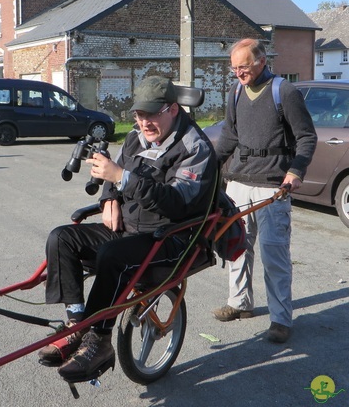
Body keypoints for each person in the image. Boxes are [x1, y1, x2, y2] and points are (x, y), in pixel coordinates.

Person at [39, 76, 217, 382]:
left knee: (111, 255)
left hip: (170, 237)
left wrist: (122, 178)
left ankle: (99, 339)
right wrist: (110, 197)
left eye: (151, 115)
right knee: (62, 238)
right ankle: (77, 324)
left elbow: (175, 202)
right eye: (139, 115)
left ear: (173, 109)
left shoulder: (195, 147)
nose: (143, 123)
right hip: (131, 229)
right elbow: (114, 177)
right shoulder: (136, 137)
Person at [212, 38, 317, 343]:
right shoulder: (235, 92)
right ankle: (240, 303)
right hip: (238, 183)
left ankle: (280, 319)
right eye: (234, 68)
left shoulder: (284, 91)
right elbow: (230, 136)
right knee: (236, 249)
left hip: (272, 187)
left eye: (242, 67)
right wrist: (209, 166)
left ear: (261, 61)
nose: (238, 73)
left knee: (274, 254)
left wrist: (295, 171)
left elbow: (306, 137)